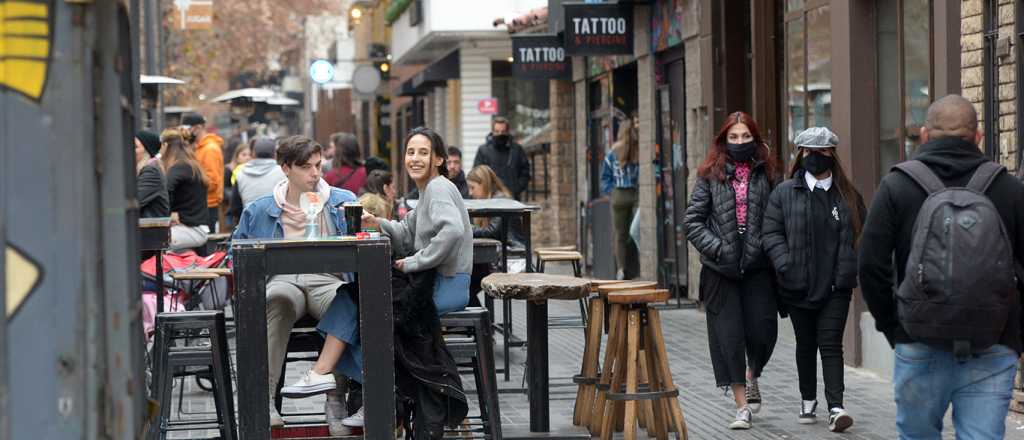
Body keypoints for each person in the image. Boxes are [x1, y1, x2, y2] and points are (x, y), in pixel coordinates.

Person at [281, 127, 473, 429]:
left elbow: (452, 231)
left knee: (360, 299)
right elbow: (407, 233)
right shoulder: (426, 193)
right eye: (411, 152)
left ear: (438, 159)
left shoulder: (438, 188)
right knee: (356, 296)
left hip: (444, 286)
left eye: (424, 152)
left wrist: (413, 263)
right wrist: (378, 223)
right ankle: (366, 394)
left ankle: (349, 385)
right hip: (432, 283)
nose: (415, 158)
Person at [859, 95, 1024, 439]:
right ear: (978, 137)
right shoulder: (1008, 188)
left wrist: (896, 328)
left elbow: (871, 267)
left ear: (924, 135)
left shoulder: (896, 186)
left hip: (918, 340)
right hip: (993, 342)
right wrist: (1014, 335)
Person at [232, 135, 358, 433]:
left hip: (327, 280)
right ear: (285, 168)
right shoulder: (260, 209)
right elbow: (235, 254)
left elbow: (360, 245)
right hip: (284, 280)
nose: (316, 174)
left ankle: (335, 399)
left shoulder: (342, 201)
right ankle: (264, 398)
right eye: (306, 167)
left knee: (349, 302)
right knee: (277, 299)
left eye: (318, 166)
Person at [762, 127, 864, 432]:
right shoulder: (784, 193)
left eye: (818, 152)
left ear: (830, 154)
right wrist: (785, 263)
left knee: (830, 343)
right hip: (797, 283)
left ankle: (836, 407)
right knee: (806, 344)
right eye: (806, 152)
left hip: (835, 286)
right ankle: (808, 399)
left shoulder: (848, 195)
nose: (812, 157)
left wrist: (850, 266)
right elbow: (771, 232)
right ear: (799, 154)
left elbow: (864, 235)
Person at [683, 111, 779, 430]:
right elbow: (692, 222)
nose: (739, 142)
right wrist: (719, 248)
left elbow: (778, 217)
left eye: (745, 137)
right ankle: (742, 406)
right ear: (724, 140)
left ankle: (753, 374)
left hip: (757, 268)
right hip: (720, 271)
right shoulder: (709, 175)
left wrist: (766, 246)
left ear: (755, 138)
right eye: (733, 137)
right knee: (730, 337)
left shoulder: (768, 173)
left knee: (763, 331)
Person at [601, 116, 640, 280]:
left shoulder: (612, 152)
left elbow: (605, 177)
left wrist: (611, 191)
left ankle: (621, 269)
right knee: (636, 231)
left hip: (618, 195)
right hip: (635, 194)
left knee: (620, 235)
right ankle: (637, 268)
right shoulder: (638, 150)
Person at [160, 129, 210, 251]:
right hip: (195, 227)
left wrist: (169, 213)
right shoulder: (191, 164)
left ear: (165, 145)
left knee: (150, 242)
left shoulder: (179, 166)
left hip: (190, 229)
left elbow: (166, 189)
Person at [182, 112, 225, 232]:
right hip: (202, 203)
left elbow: (213, 182)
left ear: (198, 128)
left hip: (208, 205)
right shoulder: (200, 148)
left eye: (187, 129)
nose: (186, 133)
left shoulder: (209, 149)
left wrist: (190, 185)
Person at [230, 136, 286, 224]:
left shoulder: (241, 174)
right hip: (277, 227)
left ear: (253, 154)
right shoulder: (283, 173)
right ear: (274, 154)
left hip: (250, 225)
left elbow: (235, 207)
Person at [473, 116, 531, 200]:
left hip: (513, 199)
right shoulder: (483, 150)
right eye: (497, 131)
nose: (500, 134)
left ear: (507, 132)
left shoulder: (517, 150)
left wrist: (516, 189)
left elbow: (525, 173)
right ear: (492, 132)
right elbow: (477, 174)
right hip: (489, 200)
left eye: (503, 131)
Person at [135, 130, 169, 218]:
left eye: (135, 146)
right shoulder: (145, 169)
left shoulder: (151, 171)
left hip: (151, 228)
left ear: (147, 151)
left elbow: (136, 201)